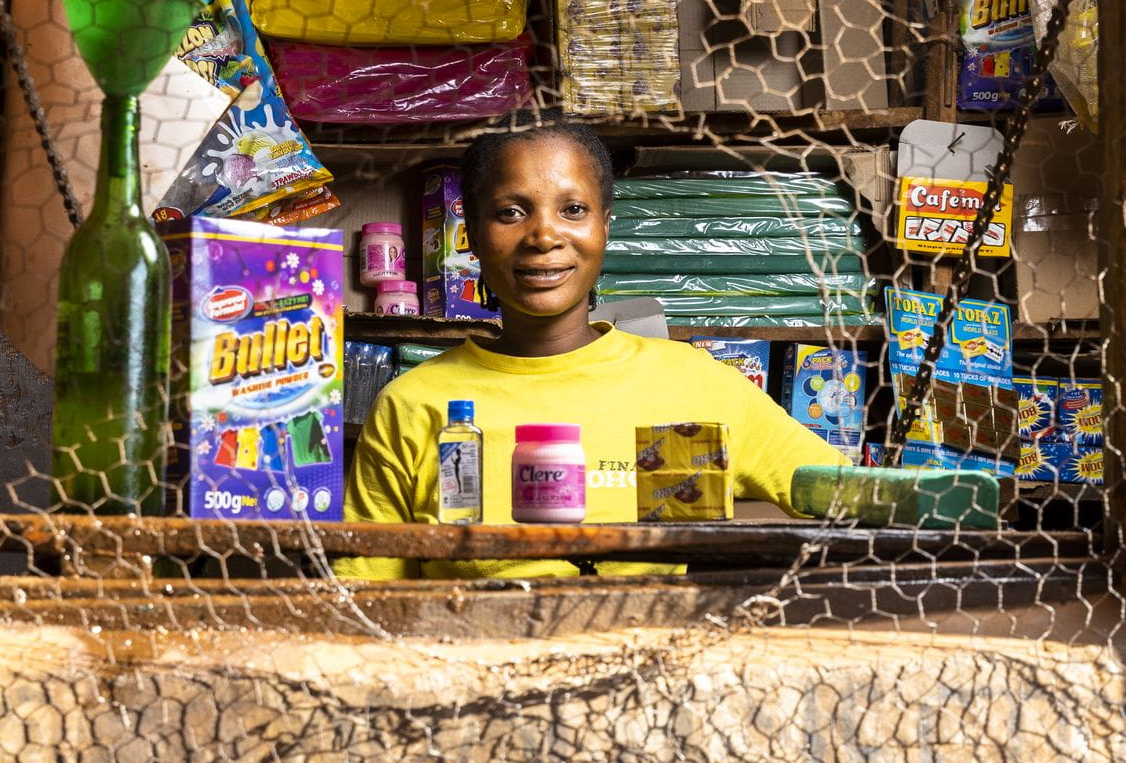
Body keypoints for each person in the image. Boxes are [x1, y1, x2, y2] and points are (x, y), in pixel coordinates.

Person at [342, 121, 842, 579]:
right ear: (471, 234)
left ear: (605, 225)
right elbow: (366, 595)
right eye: (511, 212)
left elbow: (850, 495)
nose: (543, 236)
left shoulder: (694, 383)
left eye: (573, 210)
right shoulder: (413, 406)